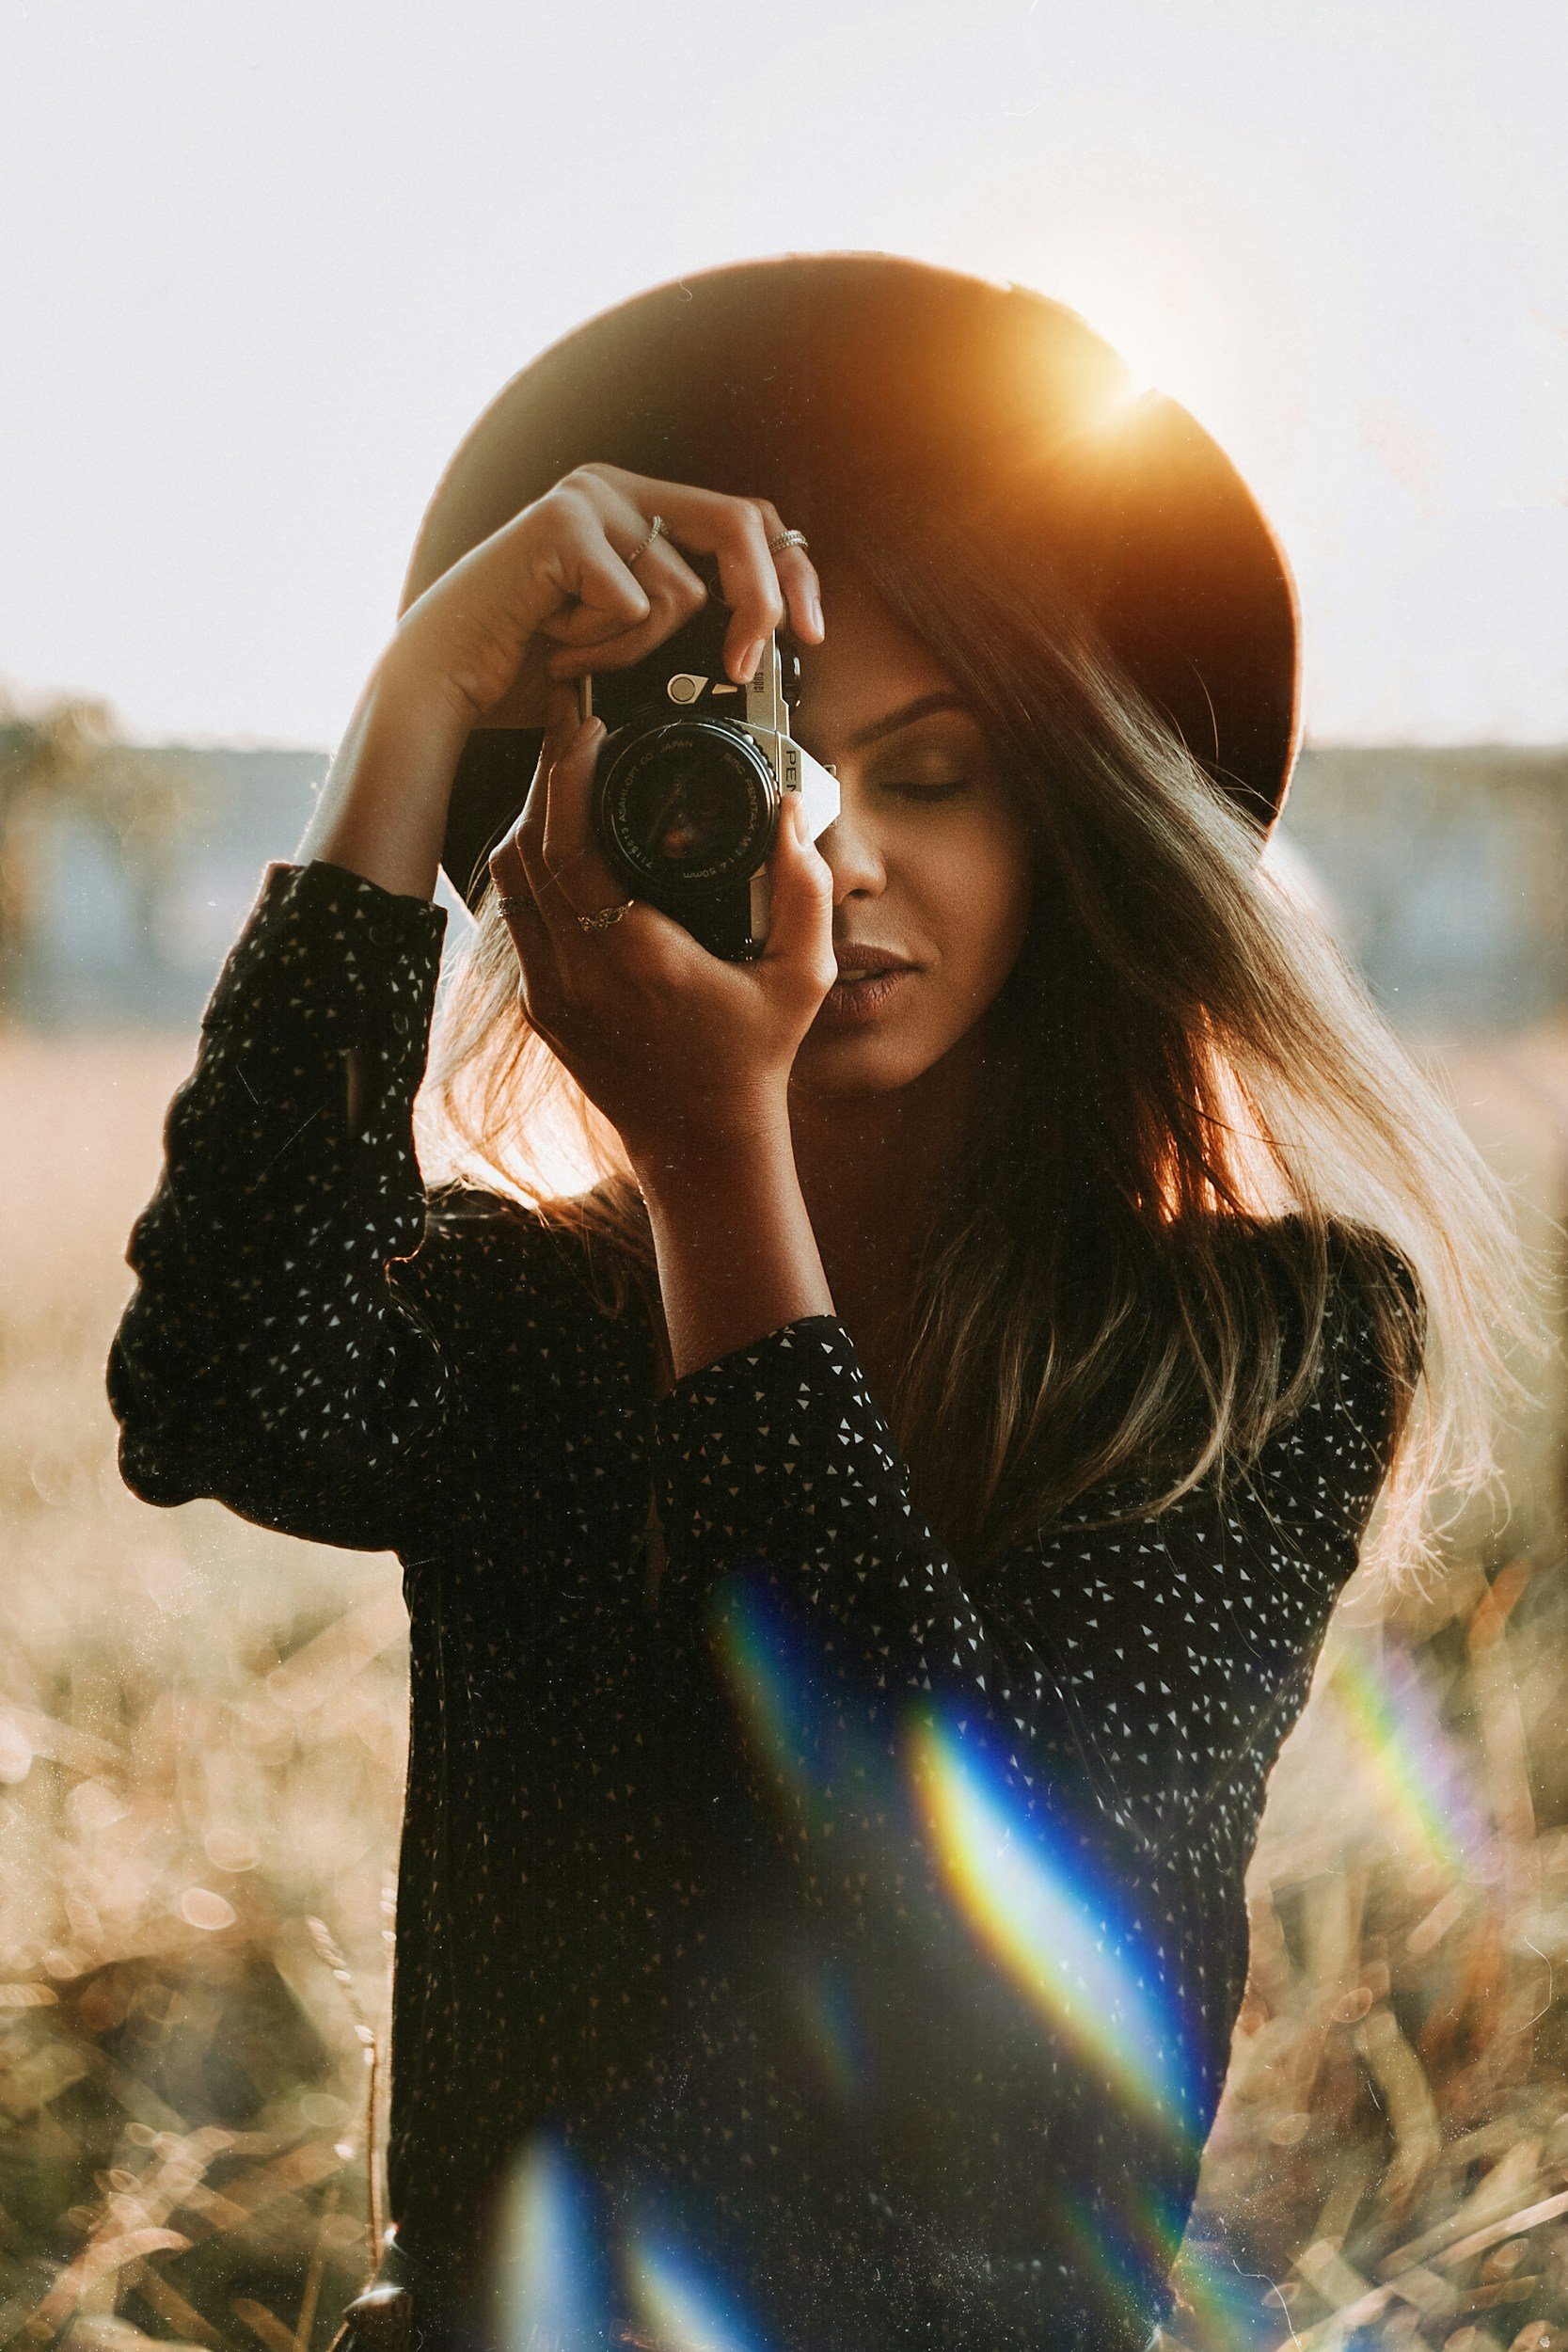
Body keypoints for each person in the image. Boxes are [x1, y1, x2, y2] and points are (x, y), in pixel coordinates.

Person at [107, 257, 1523, 2352]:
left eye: (932, 772)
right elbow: (214, 1384)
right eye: (767, 774)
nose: (835, 859)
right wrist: (420, 709)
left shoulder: (1264, 1349)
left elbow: (978, 1991)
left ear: (1077, 824)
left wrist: (707, 1164)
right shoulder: (532, 1314)